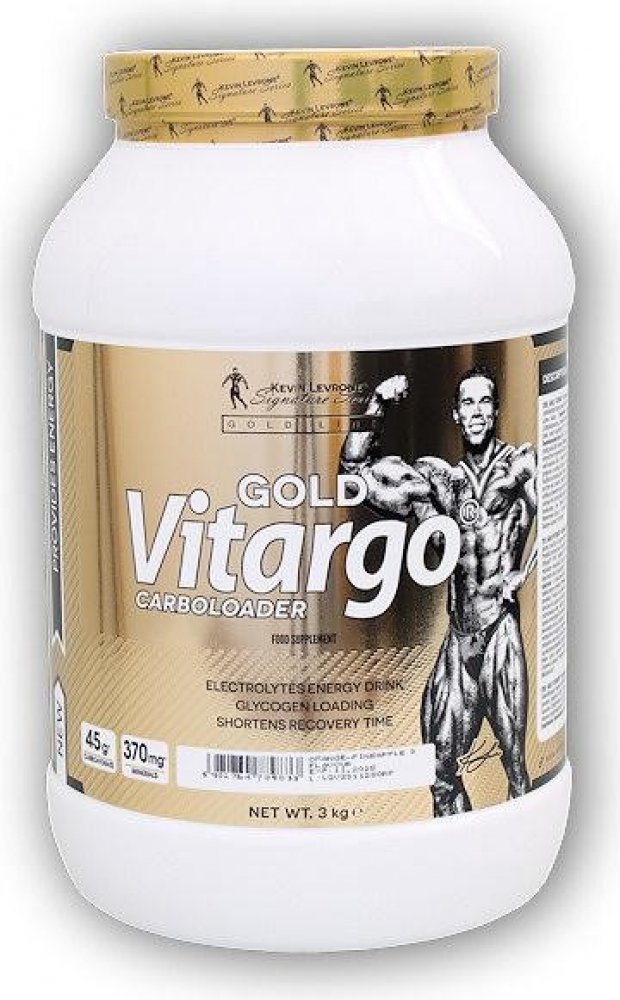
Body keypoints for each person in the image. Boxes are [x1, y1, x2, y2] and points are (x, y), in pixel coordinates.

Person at [341, 365, 537, 815]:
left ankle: (511, 837)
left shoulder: (520, 466)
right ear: (455, 414)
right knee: (438, 770)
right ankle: (456, 843)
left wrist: (522, 573)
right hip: (459, 635)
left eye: (484, 402)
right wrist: (377, 403)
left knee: (515, 766)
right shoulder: (439, 483)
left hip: (499, 630)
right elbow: (353, 474)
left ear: (496, 410)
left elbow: (560, 515)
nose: (476, 411)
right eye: (467, 403)